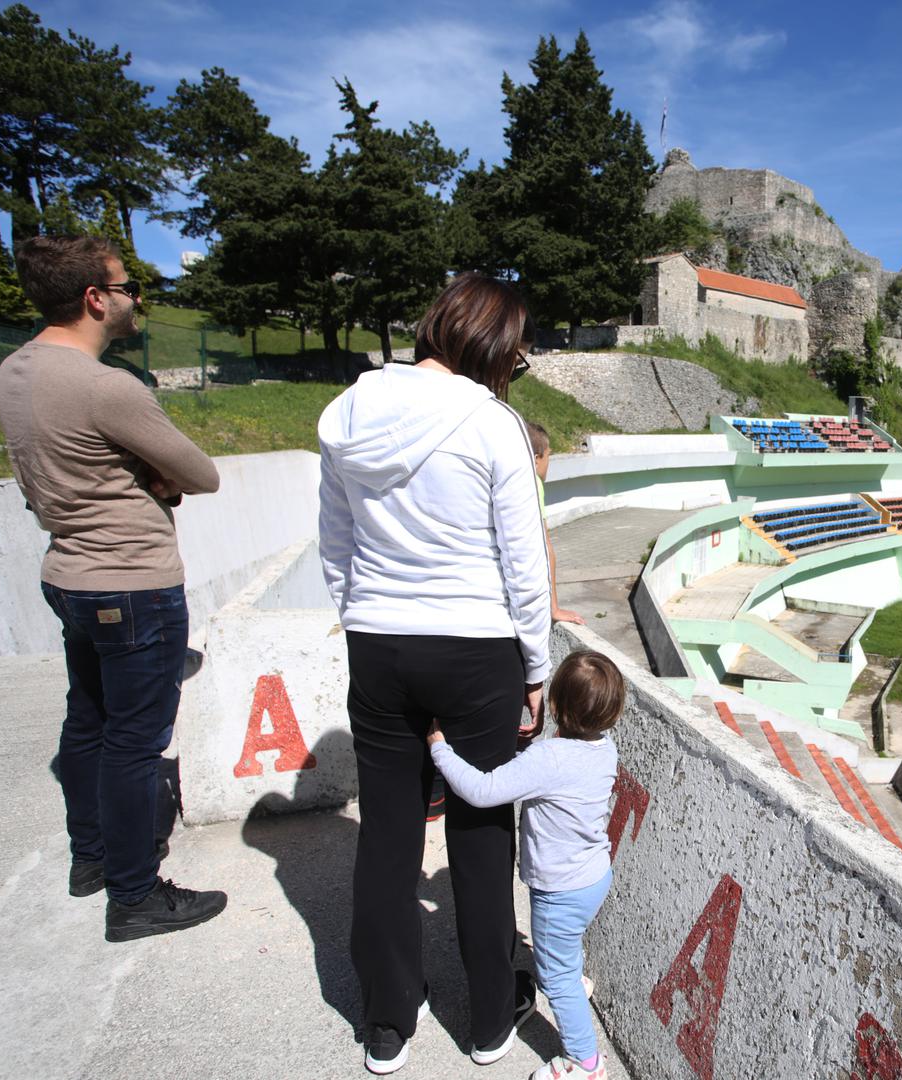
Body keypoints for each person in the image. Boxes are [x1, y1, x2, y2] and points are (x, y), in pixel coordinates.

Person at [318, 273, 551, 1075]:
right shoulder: (493, 424)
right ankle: (489, 1022)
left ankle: (387, 1021)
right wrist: (535, 664)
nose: (512, 367)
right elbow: (522, 559)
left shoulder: (347, 409)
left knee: (387, 831)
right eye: (513, 352)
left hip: (379, 640)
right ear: (487, 343)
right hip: (475, 646)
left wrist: (363, 621)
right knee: (480, 831)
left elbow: (336, 540)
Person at [0, 235, 227, 941]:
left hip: (67, 572)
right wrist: (152, 476)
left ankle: (92, 861)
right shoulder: (105, 385)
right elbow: (200, 472)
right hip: (132, 581)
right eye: (127, 288)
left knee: (88, 721)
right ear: (95, 299)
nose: (135, 300)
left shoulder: (14, 371)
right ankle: (134, 896)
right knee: (135, 743)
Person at [428, 650, 622, 1080]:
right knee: (564, 947)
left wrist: (440, 751)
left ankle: (584, 1063)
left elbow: (482, 790)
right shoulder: (605, 750)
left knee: (555, 977)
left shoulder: (548, 758)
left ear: (553, 706)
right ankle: (572, 979)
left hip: (560, 888)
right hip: (593, 876)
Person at [525, 421, 585, 626]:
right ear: (536, 459)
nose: (549, 461)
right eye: (548, 455)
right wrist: (554, 608)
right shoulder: (533, 484)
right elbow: (545, 548)